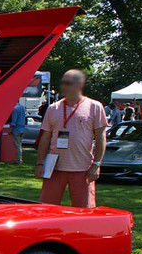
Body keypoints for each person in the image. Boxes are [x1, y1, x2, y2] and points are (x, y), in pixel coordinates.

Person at [36, 69, 107, 208]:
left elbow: (101, 137)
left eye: (68, 83)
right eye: (63, 83)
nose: (63, 86)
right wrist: (39, 163)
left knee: (85, 211)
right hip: (54, 168)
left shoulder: (94, 107)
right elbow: (45, 138)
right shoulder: (53, 108)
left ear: (79, 84)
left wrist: (96, 164)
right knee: (46, 209)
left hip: (83, 169)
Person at [8, 100, 26, 164]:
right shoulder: (22, 107)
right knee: (20, 144)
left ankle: (18, 160)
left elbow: (14, 121)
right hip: (23, 128)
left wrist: (11, 130)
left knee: (17, 145)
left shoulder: (15, 109)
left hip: (16, 129)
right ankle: (20, 159)